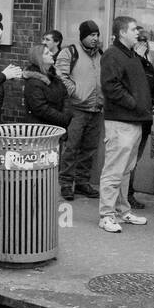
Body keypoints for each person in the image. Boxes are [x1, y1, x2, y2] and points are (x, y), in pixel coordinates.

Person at [98, 16, 151, 234]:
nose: (137, 32)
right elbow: (111, 87)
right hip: (121, 121)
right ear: (121, 33)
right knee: (114, 169)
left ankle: (121, 210)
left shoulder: (131, 55)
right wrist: (135, 104)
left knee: (126, 170)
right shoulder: (112, 54)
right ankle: (106, 215)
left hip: (134, 120)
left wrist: (145, 105)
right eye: (132, 29)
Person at [57, 21, 103, 201]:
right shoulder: (69, 52)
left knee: (90, 148)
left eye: (97, 35)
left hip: (96, 108)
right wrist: (75, 92)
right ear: (83, 36)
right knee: (72, 147)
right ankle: (66, 183)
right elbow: (61, 76)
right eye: (92, 35)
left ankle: (83, 182)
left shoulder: (100, 54)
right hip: (77, 108)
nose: (95, 39)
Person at [129, 31, 154, 211]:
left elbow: (152, 87)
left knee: (134, 159)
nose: (143, 45)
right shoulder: (130, 62)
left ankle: (128, 193)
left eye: (145, 42)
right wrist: (138, 59)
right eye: (139, 42)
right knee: (127, 160)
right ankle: (124, 195)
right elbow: (132, 84)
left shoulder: (148, 64)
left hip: (145, 118)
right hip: (131, 118)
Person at [23, 43, 70, 128]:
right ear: (39, 58)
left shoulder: (54, 77)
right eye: (47, 53)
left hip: (57, 127)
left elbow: (65, 95)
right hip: (40, 130)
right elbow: (41, 109)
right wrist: (63, 118)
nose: (51, 54)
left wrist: (66, 115)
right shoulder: (33, 83)